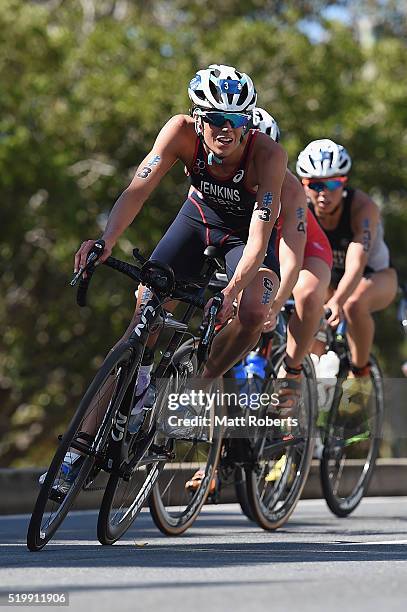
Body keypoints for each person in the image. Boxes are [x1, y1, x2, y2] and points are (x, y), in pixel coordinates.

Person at [41, 65, 287, 490]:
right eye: (214, 119)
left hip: (243, 237)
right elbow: (138, 188)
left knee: (252, 309)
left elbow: (260, 236)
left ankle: (203, 377)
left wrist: (230, 290)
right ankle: (82, 445)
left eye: (237, 121)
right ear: (197, 116)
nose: (225, 131)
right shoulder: (179, 132)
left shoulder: (268, 155)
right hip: (197, 221)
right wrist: (106, 240)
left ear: (248, 122)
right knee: (142, 316)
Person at [296, 138, 397, 390]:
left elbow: (356, 263)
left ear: (344, 182)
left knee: (353, 304)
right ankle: (314, 408)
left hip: (374, 275)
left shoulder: (362, 207)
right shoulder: (299, 207)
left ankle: (359, 374)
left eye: (332, 183)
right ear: (303, 185)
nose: (323, 193)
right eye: (315, 184)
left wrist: (338, 301)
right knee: (314, 339)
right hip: (329, 277)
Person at [253, 109, 333, 411]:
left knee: (308, 293)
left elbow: (293, 258)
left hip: (303, 248)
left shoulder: (290, 188)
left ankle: (294, 369)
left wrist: (275, 304)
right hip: (263, 250)